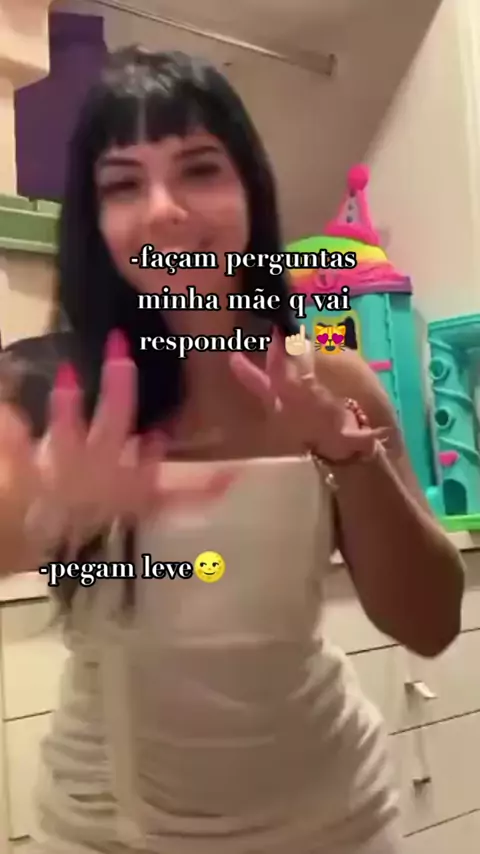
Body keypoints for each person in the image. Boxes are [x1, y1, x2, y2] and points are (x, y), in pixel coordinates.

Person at [0, 46, 464, 854]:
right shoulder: (43, 390)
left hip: (335, 820)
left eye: (199, 169)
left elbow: (430, 624)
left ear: (251, 188)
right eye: (123, 185)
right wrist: (37, 526)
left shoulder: (333, 380)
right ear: (93, 222)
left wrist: (351, 457)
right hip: (110, 829)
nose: (164, 211)